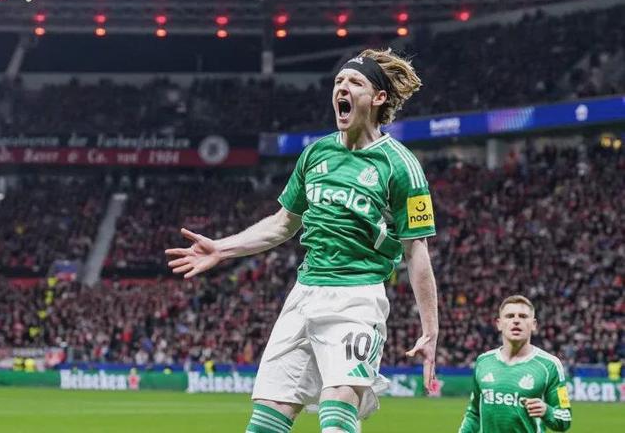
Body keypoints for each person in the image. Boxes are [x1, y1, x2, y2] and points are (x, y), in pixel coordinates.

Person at [166, 48, 439, 433]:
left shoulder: (400, 165)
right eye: (338, 81)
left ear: (378, 98)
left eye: (355, 82)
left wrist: (430, 329)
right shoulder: (316, 154)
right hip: (304, 294)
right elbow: (283, 224)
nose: (342, 87)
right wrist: (222, 248)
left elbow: (416, 249)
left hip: (357, 297)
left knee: (338, 404)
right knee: (268, 414)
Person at [458, 295, 572, 433]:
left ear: (533, 324)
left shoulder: (550, 365)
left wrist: (547, 411)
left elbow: (565, 418)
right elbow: (474, 414)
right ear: (499, 324)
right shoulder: (483, 361)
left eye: (523, 316)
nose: (516, 320)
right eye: (510, 316)